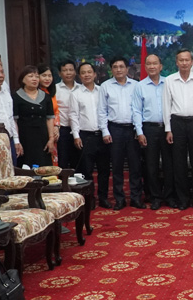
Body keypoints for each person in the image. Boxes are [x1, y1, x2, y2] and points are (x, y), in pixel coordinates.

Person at [98, 57, 143, 210]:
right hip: (114, 129)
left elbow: (139, 109)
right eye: (115, 67)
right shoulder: (105, 86)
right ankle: (119, 199)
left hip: (132, 130)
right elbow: (102, 111)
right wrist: (105, 131)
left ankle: (136, 198)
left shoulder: (136, 86)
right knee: (117, 166)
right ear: (111, 69)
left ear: (127, 69)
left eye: (121, 67)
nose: (118, 69)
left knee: (135, 166)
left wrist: (139, 130)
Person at [132, 54, 176, 210]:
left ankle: (170, 196)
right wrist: (140, 132)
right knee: (151, 165)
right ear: (145, 67)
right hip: (149, 128)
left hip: (167, 128)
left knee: (169, 164)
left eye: (155, 63)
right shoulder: (140, 86)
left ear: (160, 66)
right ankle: (155, 196)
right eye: (148, 64)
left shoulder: (169, 83)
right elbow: (136, 110)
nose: (152, 66)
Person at [163, 49, 193, 210]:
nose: (184, 63)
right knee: (179, 163)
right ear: (176, 62)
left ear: (191, 61)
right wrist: (168, 129)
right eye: (181, 60)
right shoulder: (169, 80)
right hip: (177, 124)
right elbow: (166, 106)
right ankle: (182, 198)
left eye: (187, 60)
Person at [70, 63, 110, 207]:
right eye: (83, 73)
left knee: (104, 169)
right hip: (85, 136)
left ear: (95, 74)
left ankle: (103, 197)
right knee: (86, 170)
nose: (87, 75)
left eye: (89, 72)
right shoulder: (76, 94)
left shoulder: (102, 91)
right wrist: (76, 135)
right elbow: (73, 116)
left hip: (103, 135)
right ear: (79, 76)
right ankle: (89, 199)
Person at [12, 66, 55, 167]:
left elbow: (49, 118)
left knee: (44, 166)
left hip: (42, 137)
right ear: (22, 79)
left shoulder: (46, 96)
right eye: (30, 76)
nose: (35, 79)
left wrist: (51, 139)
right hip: (25, 137)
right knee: (27, 166)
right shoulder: (16, 97)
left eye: (36, 76)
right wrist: (17, 140)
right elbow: (14, 121)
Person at [55, 60, 81, 170]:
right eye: (65, 70)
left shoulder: (81, 88)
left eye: (71, 70)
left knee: (79, 162)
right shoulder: (55, 89)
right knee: (63, 161)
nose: (68, 73)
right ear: (59, 73)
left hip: (80, 131)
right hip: (62, 130)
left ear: (75, 72)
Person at [38, 64, 60, 165]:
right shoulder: (35, 93)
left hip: (53, 132)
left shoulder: (50, 92)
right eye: (44, 75)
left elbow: (56, 112)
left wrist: (56, 127)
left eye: (49, 76)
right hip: (40, 131)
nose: (47, 79)